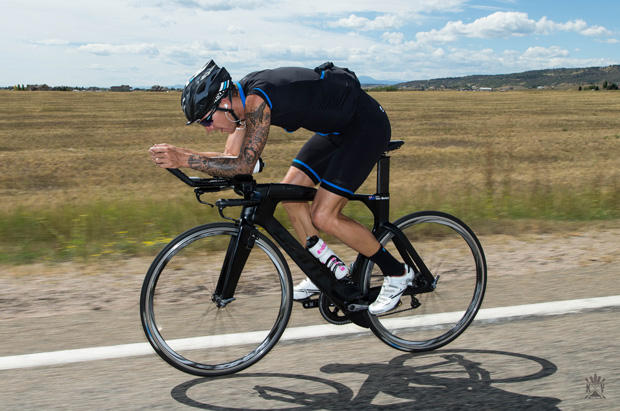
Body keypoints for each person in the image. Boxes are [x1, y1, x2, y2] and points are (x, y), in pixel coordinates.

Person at [149, 60, 415, 314]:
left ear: (224, 103)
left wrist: (184, 158)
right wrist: (183, 157)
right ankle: (326, 271)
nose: (208, 129)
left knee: (324, 215)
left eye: (207, 120)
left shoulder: (256, 102)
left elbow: (243, 165)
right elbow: (231, 159)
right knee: (291, 194)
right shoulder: (241, 107)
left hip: (365, 126)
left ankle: (397, 272)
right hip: (335, 131)